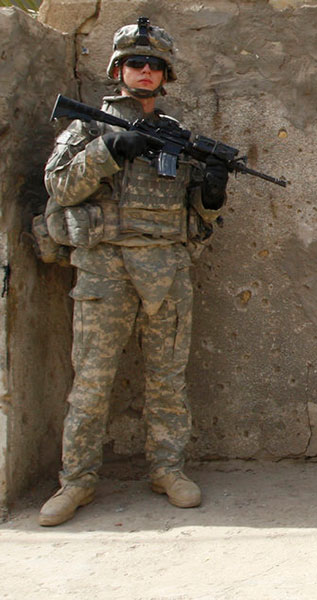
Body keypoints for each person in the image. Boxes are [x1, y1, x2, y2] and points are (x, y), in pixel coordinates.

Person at [38, 17, 229, 526]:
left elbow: (197, 216)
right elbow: (59, 189)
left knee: (167, 380)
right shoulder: (86, 127)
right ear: (117, 69)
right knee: (92, 383)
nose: (145, 72)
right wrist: (108, 150)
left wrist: (210, 194)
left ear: (165, 76)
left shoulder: (175, 136)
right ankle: (76, 482)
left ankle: (168, 469)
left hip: (166, 269)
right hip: (105, 268)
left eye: (155, 65)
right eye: (135, 63)